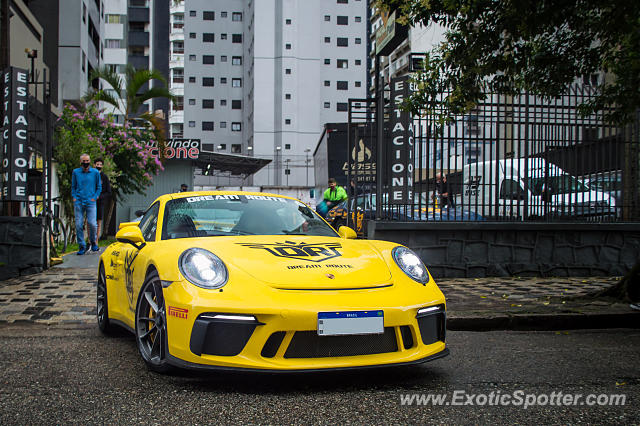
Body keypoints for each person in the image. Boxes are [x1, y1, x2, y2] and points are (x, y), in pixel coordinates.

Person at [72, 153, 101, 255]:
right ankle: (81, 245)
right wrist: (74, 197)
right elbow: (73, 186)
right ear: (81, 162)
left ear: (90, 161)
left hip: (90, 201)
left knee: (93, 223)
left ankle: (93, 241)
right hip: (79, 201)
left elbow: (99, 187)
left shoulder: (95, 173)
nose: (85, 163)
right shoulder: (76, 172)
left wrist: (95, 196)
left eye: (87, 161)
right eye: (83, 161)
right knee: (79, 224)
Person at [94, 158, 111, 239]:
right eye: (97, 164)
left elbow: (108, 192)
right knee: (89, 221)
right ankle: (90, 240)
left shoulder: (104, 177)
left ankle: (96, 240)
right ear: (94, 165)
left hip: (100, 202)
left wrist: (100, 197)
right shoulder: (91, 175)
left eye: (100, 165)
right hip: (90, 202)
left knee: (98, 221)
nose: (99, 166)